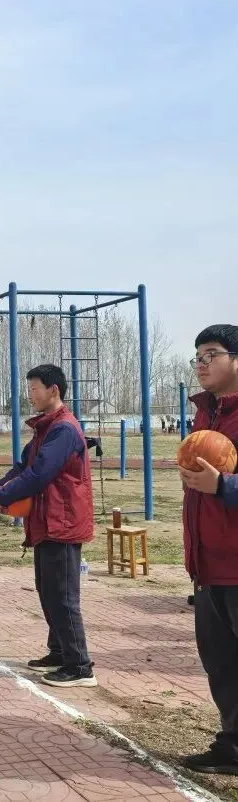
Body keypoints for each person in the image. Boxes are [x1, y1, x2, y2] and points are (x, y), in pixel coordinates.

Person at [0, 363, 96, 688]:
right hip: (47, 522)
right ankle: (59, 652)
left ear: (54, 390)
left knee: (63, 596)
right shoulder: (46, 429)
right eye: (29, 389)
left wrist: (6, 495)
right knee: (48, 590)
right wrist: (0, 488)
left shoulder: (64, 429)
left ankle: (80, 667)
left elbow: (39, 474)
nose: (30, 395)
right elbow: (25, 465)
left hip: (62, 523)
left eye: (34, 389)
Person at [178, 324, 238, 775]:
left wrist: (226, 486)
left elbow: (222, 484)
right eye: (197, 356)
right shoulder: (206, 413)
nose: (201, 364)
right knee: (221, 664)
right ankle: (232, 745)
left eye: (211, 355)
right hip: (209, 561)